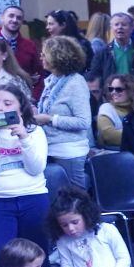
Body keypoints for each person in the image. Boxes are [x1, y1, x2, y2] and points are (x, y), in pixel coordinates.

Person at [0, 85, 55, 267]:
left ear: (20, 107)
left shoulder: (35, 132)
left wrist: (24, 137)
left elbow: (36, 168)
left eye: (8, 104)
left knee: (37, 252)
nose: (0, 108)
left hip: (32, 197)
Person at [35, 36, 91, 191]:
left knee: (77, 199)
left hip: (69, 151)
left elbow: (83, 122)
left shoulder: (76, 82)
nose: (41, 57)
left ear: (57, 56)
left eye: (44, 54)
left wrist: (49, 119)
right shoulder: (52, 80)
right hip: (50, 148)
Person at [87, 12, 134, 90]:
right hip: (113, 96)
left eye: (124, 25)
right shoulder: (102, 53)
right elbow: (95, 77)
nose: (120, 27)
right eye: (116, 25)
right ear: (111, 28)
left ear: (131, 28)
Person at [0, 5, 43, 98]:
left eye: (19, 18)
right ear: (2, 18)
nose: (15, 20)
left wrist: (33, 99)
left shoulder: (30, 45)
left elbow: (38, 75)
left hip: (24, 98)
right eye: (11, 16)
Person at [96, 73, 134, 150]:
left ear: (130, 90)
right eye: (111, 89)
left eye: (118, 89)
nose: (113, 92)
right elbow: (109, 136)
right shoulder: (106, 108)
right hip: (114, 155)